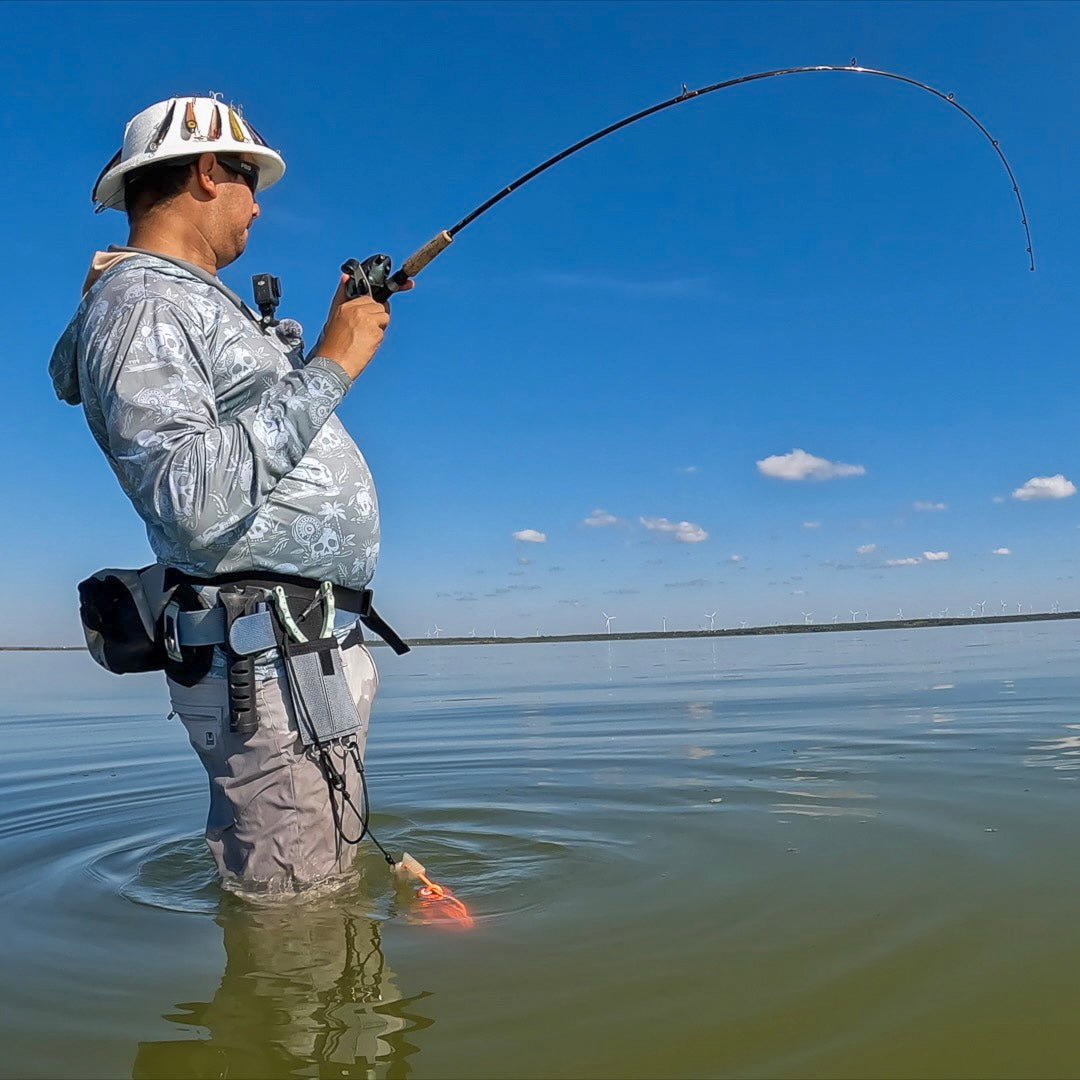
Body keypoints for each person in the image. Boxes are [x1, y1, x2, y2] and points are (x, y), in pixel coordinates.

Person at [49, 96, 409, 893]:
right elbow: (191, 496)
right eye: (251, 183)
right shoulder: (143, 304)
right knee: (296, 915)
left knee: (319, 891)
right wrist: (332, 365)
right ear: (210, 173)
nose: (257, 206)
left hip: (297, 654)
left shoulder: (186, 302)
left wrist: (302, 357)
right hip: (267, 664)